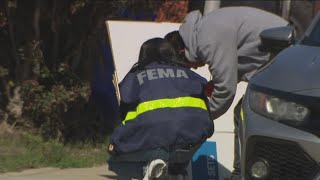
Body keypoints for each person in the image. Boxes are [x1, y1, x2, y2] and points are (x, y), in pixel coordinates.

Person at [177, 7, 288, 180]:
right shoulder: (206, 28)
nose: (195, 67)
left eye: (189, 66)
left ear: (181, 52)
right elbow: (239, 61)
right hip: (282, 60)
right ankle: (243, 173)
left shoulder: (207, 39)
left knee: (247, 113)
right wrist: (216, 84)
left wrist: (201, 119)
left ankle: (242, 175)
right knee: (245, 112)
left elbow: (226, 90)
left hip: (288, 62)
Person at [107, 37, 214, 180]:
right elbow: (207, 91)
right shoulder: (189, 73)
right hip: (190, 142)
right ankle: (177, 172)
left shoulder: (135, 75)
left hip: (153, 142)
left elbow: (124, 105)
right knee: (179, 145)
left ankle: (147, 168)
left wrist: (116, 141)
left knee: (114, 162)